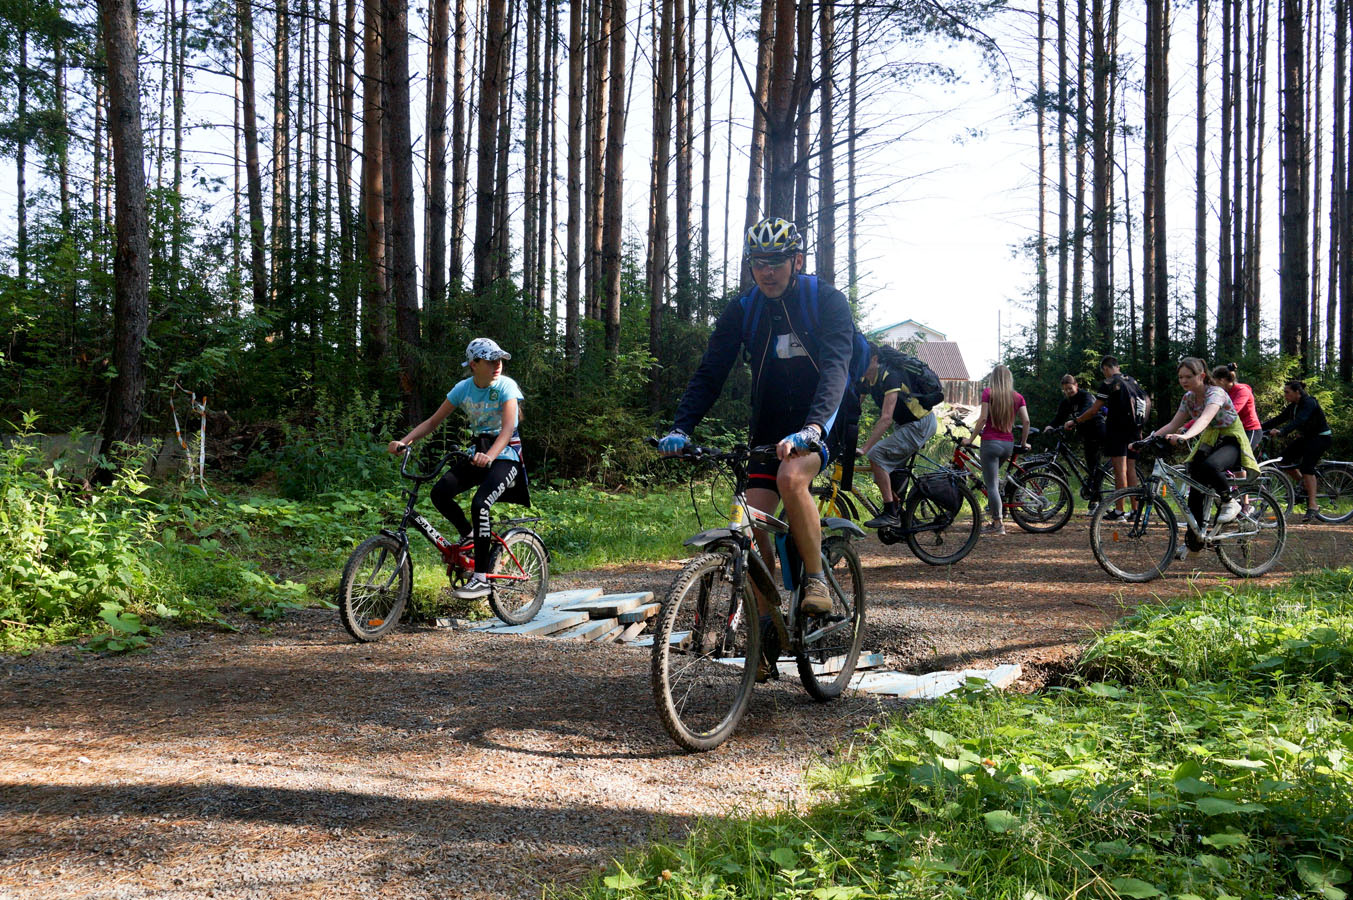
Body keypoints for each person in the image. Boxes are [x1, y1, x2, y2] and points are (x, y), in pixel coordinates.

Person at [659, 217, 854, 618]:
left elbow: (836, 368)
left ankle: (816, 578)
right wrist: (682, 426)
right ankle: (765, 626)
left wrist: (813, 428)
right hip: (768, 424)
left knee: (790, 477)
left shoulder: (827, 302)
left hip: (824, 419)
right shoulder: (744, 310)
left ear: (796, 261)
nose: (767, 271)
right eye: (758, 262)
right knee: (749, 519)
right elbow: (710, 373)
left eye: (777, 262)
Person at [387, 338, 529, 599]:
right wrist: (404, 442)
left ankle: (482, 578)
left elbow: (508, 428)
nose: (497, 365)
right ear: (474, 364)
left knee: (480, 503)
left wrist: (490, 456)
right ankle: (472, 537)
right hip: (479, 453)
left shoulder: (506, 386)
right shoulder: (463, 389)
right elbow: (432, 422)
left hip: (507, 455)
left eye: (499, 360)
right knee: (439, 493)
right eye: (490, 361)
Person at [1143, 357, 1257, 549]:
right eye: (1180, 377)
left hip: (1232, 440)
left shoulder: (1216, 393)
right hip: (1211, 440)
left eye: (1188, 376)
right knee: (1194, 480)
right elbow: (1173, 424)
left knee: (1211, 466)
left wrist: (1186, 437)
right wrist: (1145, 440)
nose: (1184, 381)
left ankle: (1229, 502)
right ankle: (1195, 539)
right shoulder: (1188, 398)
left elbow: (1204, 419)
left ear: (1202, 376)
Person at [857, 343, 940, 529]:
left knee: (876, 456)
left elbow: (885, 418)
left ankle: (890, 514)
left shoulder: (890, 376)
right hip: (905, 426)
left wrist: (865, 448)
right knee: (888, 474)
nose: (858, 362)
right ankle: (904, 517)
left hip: (920, 424)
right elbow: (854, 409)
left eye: (862, 359)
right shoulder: (866, 380)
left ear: (874, 359)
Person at [1073, 355, 1145, 520]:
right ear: (1117, 366)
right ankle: (1135, 511)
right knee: (1131, 469)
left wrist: (1076, 421)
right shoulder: (1132, 381)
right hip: (1135, 431)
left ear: (1105, 369)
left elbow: (1093, 410)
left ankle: (1119, 511)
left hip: (1118, 430)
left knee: (1120, 470)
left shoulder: (1109, 383)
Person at [961, 364, 1030, 535]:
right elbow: (1026, 421)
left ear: (994, 378)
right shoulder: (1017, 397)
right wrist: (1023, 442)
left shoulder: (988, 393)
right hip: (1007, 445)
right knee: (994, 481)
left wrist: (970, 439)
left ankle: (998, 523)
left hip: (990, 444)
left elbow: (983, 418)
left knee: (990, 484)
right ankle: (998, 510)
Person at [1263, 379, 1332, 523]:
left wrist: (1282, 431)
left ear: (1297, 392)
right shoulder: (1294, 406)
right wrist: (1256, 428)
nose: (1285, 395)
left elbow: (1300, 421)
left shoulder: (1309, 403)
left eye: (1287, 392)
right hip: (1307, 438)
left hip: (1321, 438)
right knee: (1284, 461)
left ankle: (1313, 505)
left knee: (1307, 467)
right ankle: (1305, 485)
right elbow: (1278, 419)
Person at [1054, 373, 1107, 512]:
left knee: (1095, 467)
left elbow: (1087, 410)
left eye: (1070, 388)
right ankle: (1094, 497)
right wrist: (1050, 426)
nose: (1068, 392)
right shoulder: (1066, 402)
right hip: (1087, 434)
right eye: (1065, 390)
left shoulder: (1086, 396)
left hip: (1098, 429)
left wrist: (1075, 420)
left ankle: (1095, 501)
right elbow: (1059, 417)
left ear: (1076, 385)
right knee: (1091, 467)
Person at [1212, 363, 1263, 450]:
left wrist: (1209, 421)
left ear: (1222, 380)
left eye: (1215, 383)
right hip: (1234, 431)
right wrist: (1188, 426)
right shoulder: (1223, 393)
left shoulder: (1242, 391)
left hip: (1250, 430)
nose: (1214, 386)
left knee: (1243, 457)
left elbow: (1233, 411)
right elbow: (1208, 411)